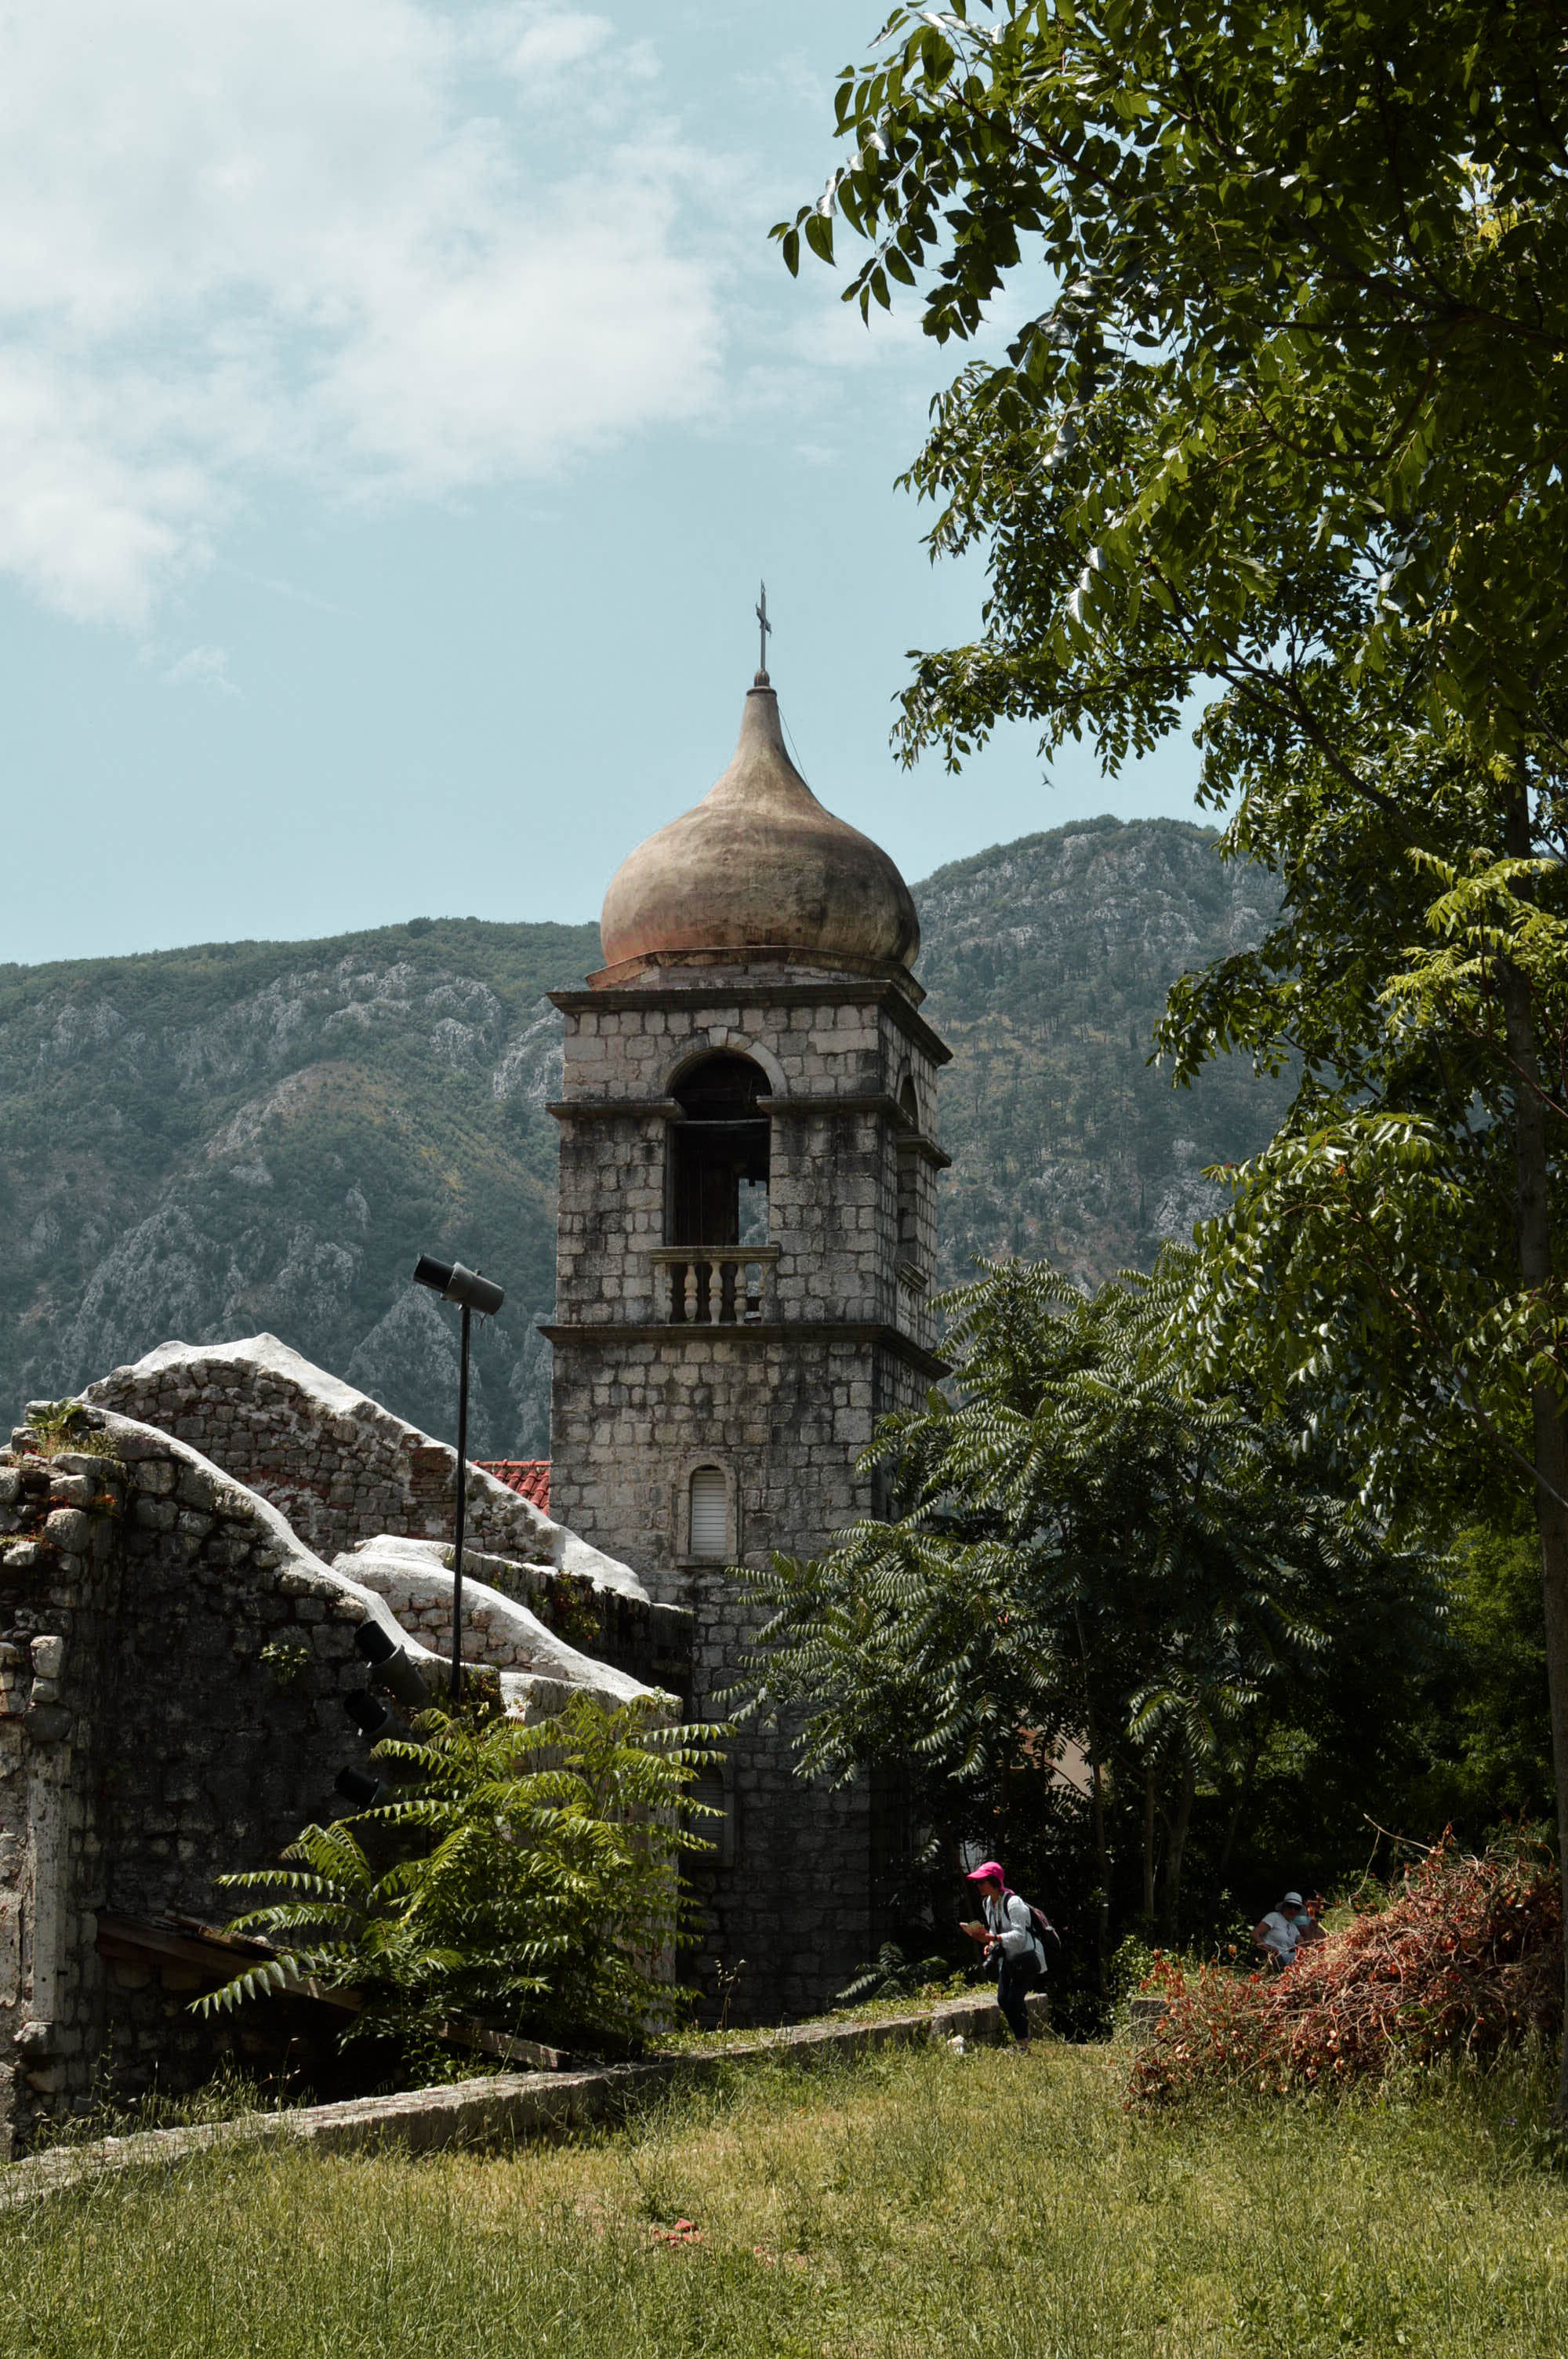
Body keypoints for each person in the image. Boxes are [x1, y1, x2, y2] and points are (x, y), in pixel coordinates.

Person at [960, 1860, 1046, 2044]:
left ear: (994, 1882)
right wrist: (989, 1944)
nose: (978, 1886)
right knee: (1003, 2000)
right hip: (1008, 1960)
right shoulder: (987, 1904)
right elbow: (994, 1930)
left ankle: (1023, 2045)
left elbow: (1019, 1935)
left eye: (982, 1882)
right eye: (977, 1882)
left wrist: (994, 1938)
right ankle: (1022, 2040)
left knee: (1014, 2000)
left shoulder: (1014, 1902)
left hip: (1026, 1958)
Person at [1253, 1889, 1305, 1971]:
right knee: (1301, 1958)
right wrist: (1267, 1948)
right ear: (1284, 1907)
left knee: (1306, 1956)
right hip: (1270, 1958)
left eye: (1296, 1908)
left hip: (1284, 1961)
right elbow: (1255, 1934)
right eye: (1290, 1906)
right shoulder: (1274, 1917)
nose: (1293, 1910)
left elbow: (1305, 1945)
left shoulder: (1293, 1927)